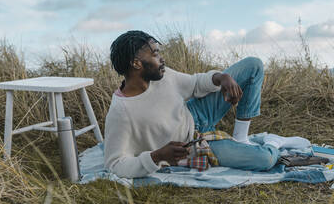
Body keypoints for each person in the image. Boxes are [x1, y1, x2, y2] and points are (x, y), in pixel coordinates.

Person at [104, 30, 279, 178]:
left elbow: (195, 84)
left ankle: (241, 137)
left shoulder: (162, 76)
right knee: (266, 160)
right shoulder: (121, 112)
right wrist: (156, 157)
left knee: (253, 65)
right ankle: (275, 142)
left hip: (196, 116)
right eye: (155, 54)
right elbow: (115, 164)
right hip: (191, 147)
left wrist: (221, 78)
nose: (162, 59)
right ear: (136, 64)